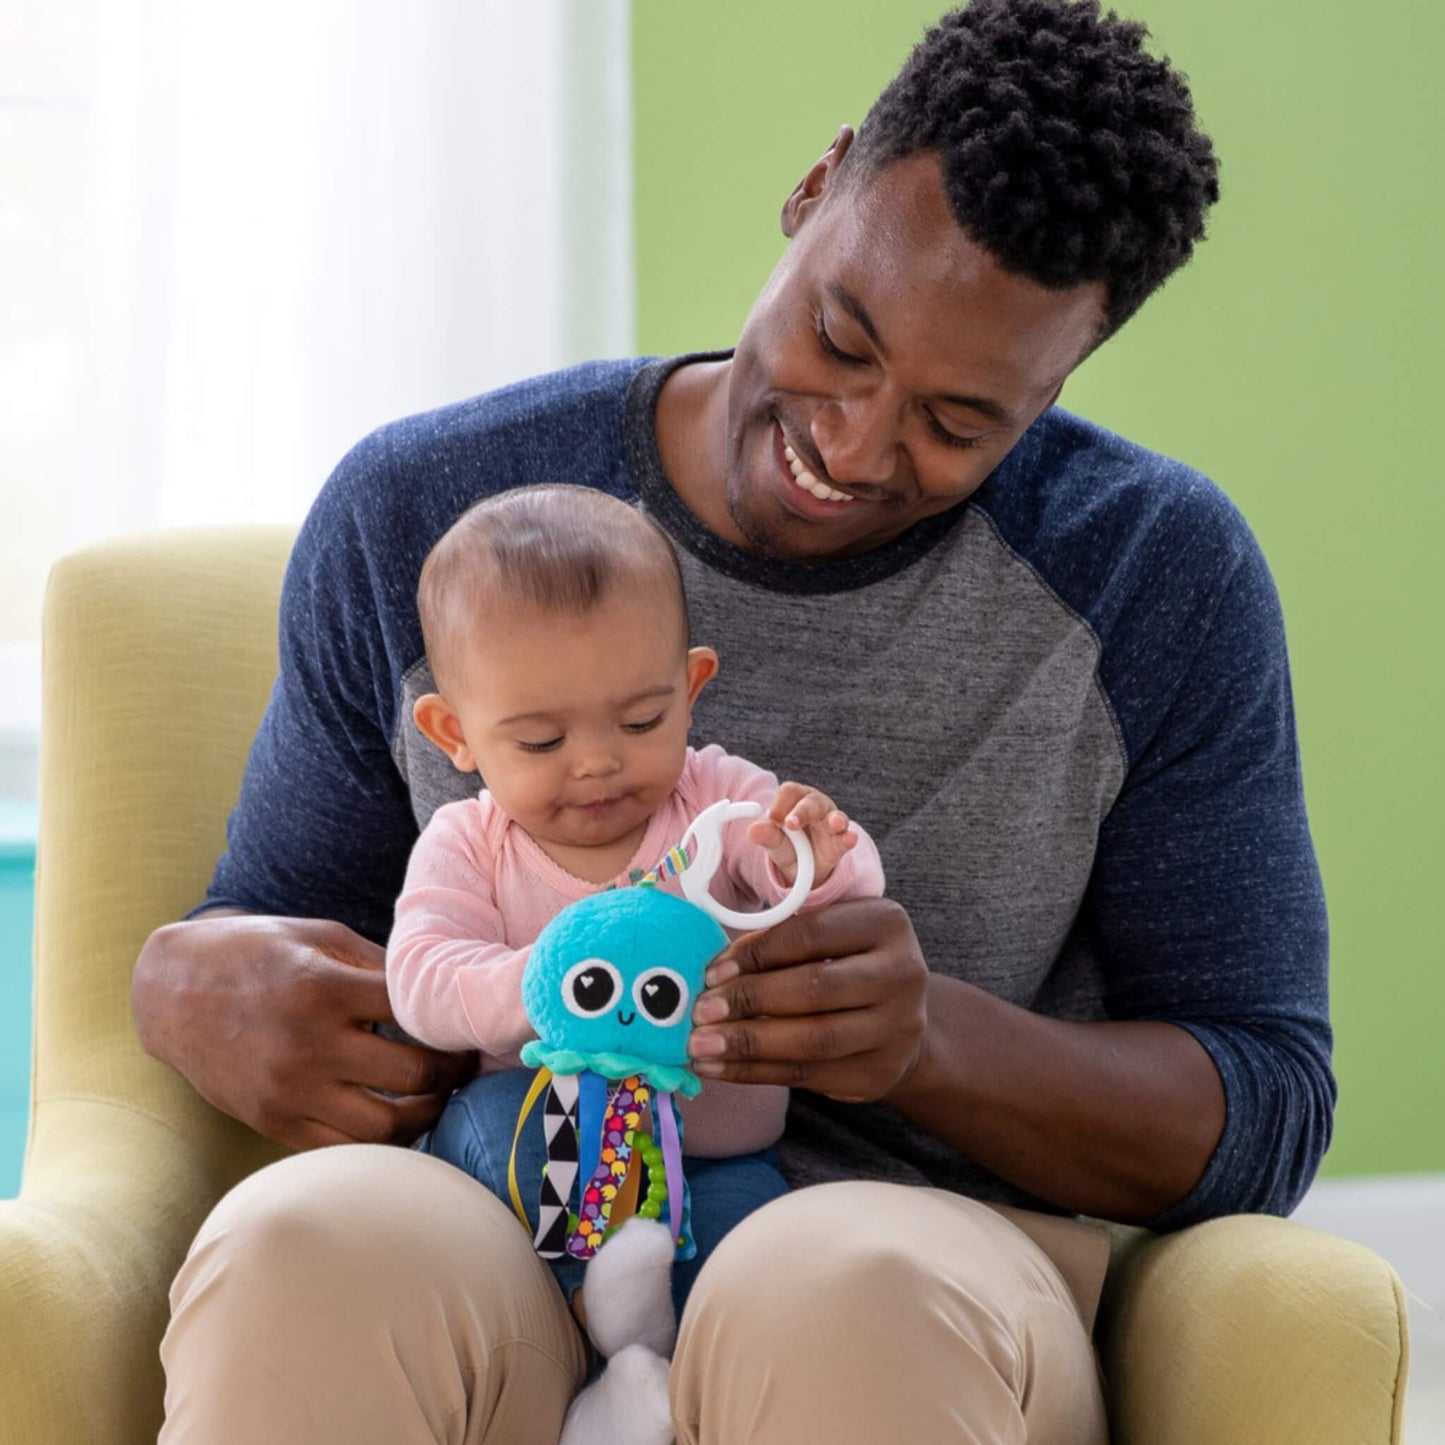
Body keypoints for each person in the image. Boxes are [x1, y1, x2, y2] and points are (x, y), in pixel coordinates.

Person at [135, 2, 1333, 1441]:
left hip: (908, 1257)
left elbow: (1264, 1100)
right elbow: (269, 928)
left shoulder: (1153, 576)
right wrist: (180, 982)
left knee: (836, 1290)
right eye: (841, 337)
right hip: (511, 1206)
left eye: (959, 422)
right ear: (817, 187)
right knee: (306, 1250)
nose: (852, 443)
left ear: (1060, 381)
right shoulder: (423, 511)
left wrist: (923, 1042)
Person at [386, 483, 884, 1312]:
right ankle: (606, 1310)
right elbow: (422, 979)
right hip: (531, 1128)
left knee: (744, 1273)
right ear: (454, 734)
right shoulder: (468, 841)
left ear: (689, 689)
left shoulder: (715, 801)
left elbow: (840, 894)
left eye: (642, 720)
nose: (595, 763)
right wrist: (556, 977)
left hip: (713, 1152)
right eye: (542, 739)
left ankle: (655, 1360)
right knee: (505, 1124)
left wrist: (816, 854)